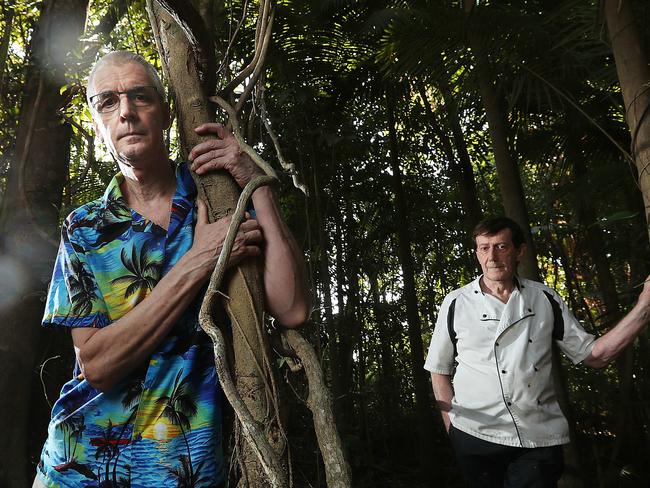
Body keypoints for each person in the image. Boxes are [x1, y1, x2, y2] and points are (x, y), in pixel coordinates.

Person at [33, 51, 310, 487]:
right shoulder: (84, 229)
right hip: (79, 465)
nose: (126, 112)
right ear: (96, 121)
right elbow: (98, 364)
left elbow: (292, 309)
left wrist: (257, 184)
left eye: (139, 96)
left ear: (164, 112)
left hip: (182, 468)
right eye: (107, 102)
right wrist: (199, 260)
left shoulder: (217, 200)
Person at [424, 217, 650, 488]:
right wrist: (454, 430)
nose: (492, 257)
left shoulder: (545, 298)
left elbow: (595, 355)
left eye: (501, 246)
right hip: (475, 437)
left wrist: (644, 307)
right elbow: (439, 369)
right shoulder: (456, 303)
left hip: (538, 439)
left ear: (520, 251)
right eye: (484, 248)